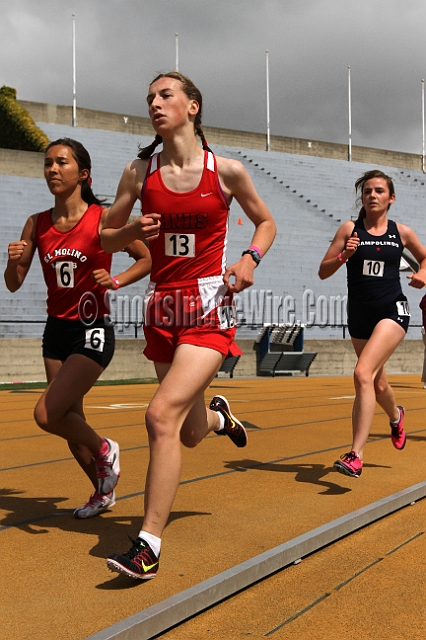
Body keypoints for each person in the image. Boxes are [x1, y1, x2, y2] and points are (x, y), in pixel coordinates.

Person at [100, 71, 276, 579]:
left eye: (165, 95)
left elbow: (266, 222)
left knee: (160, 417)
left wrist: (249, 259)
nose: (154, 103)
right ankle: (221, 418)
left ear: (193, 106)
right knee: (192, 431)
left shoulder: (227, 172)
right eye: (149, 96)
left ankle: (148, 544)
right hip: (162, 308)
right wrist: (131, 230)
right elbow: (107, 238)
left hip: (207, 306)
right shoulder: (140, 172)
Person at [4, 137, 151, 518]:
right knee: (71, 421)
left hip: (92, 328)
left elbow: (146, 259)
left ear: (82, 173)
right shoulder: (36, 223)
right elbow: (14, 283)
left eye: (62, 163)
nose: (53, 169)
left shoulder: (102, 218)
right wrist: (12, 261)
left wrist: (115, 281)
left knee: (48, 414)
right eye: (48, 163)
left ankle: (106, 450)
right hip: (55, 332)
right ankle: (102, 492)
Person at [319, 169, 426, 478]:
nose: (372, 195)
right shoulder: (349, 230)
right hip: (360, 316)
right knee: (377, 383)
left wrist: (422, 273)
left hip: (393, 312)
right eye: (367, 191)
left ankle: (356, 454)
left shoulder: (401, 233)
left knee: (362, 374)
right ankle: (396, 415)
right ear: (362, 197)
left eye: (379, 190)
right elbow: (323, 271)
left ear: (390, 198)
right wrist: (343, 256)